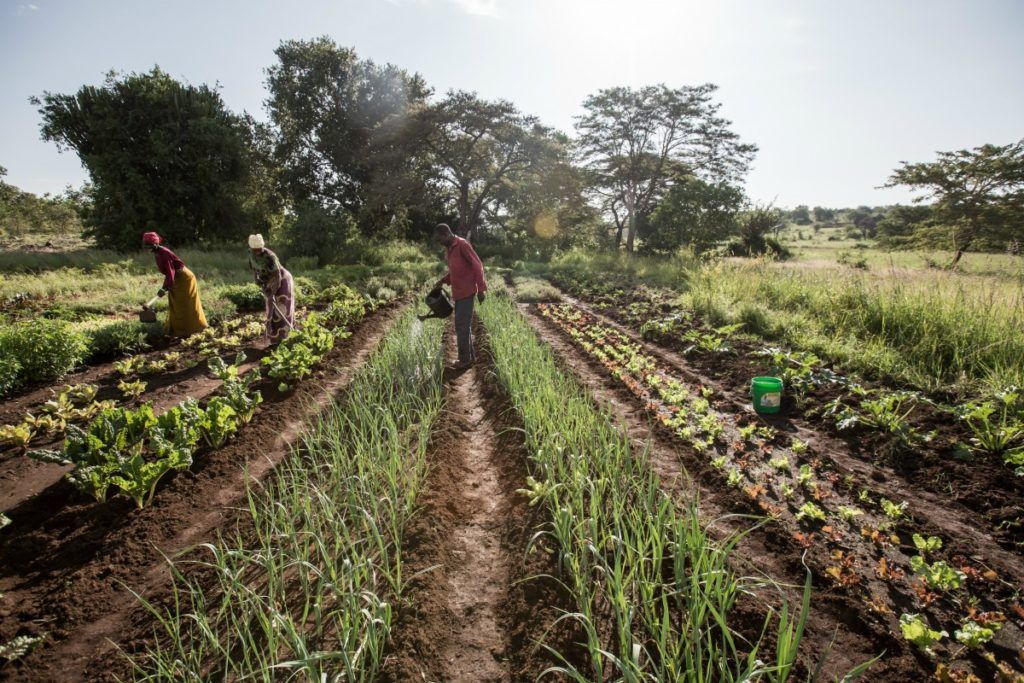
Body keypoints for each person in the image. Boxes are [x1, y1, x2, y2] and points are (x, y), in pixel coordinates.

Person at [433, 223, 487, 369]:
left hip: (467, 291)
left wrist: (481, 289)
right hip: (459, 292)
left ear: (446, 234)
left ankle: (464, 360)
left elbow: (477, 266)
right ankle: (468, 357)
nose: (439, 243)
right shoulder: (450, 249)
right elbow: (457, 271)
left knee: (461, 325)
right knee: (464, 325)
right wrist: (443, 281)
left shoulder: (462, 245)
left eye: (440, 239)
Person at [142, 231, 208, 337]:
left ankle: (194, 329)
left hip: (184, 278)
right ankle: (179, 331)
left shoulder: (164, 252)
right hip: (175, 278)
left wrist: (164, 288)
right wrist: (165, 287)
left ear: (156, 243)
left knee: (186, 304)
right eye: (146, 245)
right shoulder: (157, 253)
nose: (147, 248)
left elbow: (170, 272)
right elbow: (169, 274)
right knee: (176, 305)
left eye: (149, 245)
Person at [247, 233, 295, 341]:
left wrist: (272, 294)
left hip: (282, 280)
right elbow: (254, 269)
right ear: (252, 248)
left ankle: (285, 337)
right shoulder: (251, 255)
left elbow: (277, 276)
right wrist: (257, 280)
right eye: (256, 250)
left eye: (260, 249)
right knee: (270, 309)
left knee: (282, 307)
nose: (258, 251)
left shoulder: (270, 256)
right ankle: (273, 339)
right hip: (268, 281)